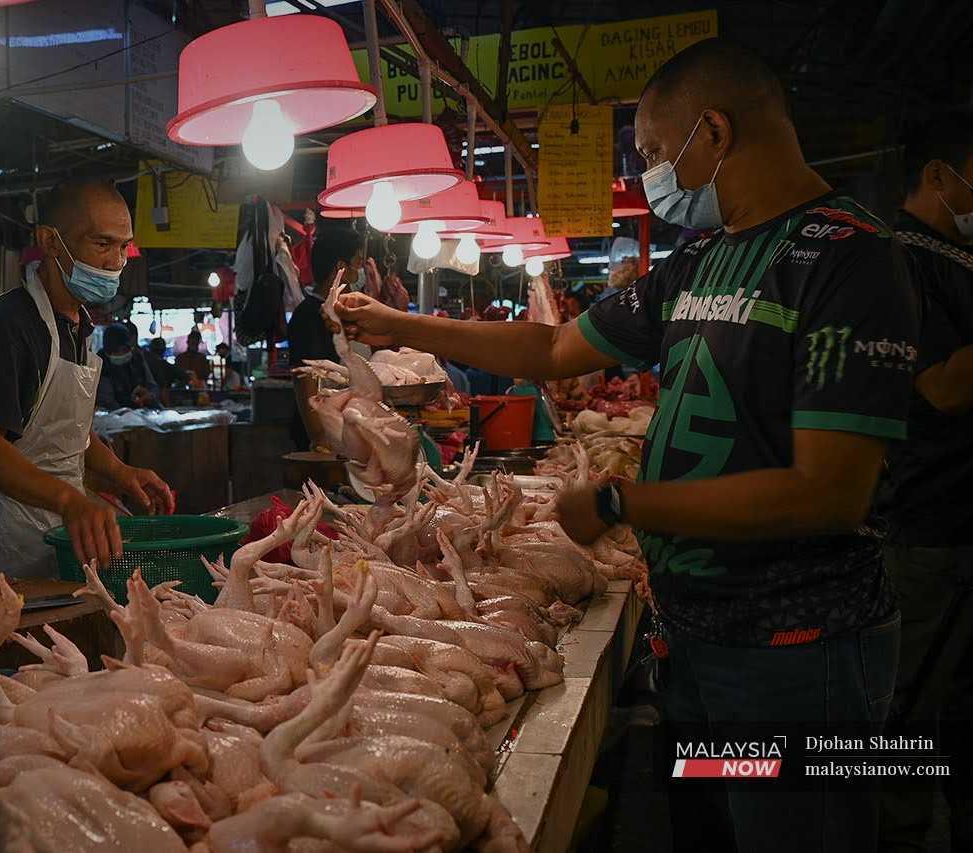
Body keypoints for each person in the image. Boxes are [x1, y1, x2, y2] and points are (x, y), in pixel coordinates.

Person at [334, 38, 918, 853]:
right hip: (699, 644)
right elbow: (552, 350)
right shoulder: (699, 263)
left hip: (796, 656)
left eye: (651, 153)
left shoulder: (850, 260)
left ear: (711, 134)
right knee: (710, 834)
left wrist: (622, 501)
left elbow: (829, 490)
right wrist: (397, 324)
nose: (650, 173)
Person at [0, 177, 174, 579]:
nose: (116, 262)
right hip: (3, 540)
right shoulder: (7, 325)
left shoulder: (78, 326)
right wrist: (70, 501)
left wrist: (121, 474)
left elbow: (70, 435)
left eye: (123, 246)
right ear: (51, 242)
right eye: (102, 244)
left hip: (62, 530)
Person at [874, 112, 973, 853]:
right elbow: (940, 387)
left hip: (955, 524)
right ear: (938, 174)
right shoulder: (902, 260)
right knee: (904, 715)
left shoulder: (956, 258)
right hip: (926, 526)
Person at [288, 226, 363, 450]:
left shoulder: (343, 313)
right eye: (358, 263)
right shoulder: (309, 316)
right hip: (325, 443)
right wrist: (320, 439)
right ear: (341, 267)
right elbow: (306, 381)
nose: (360, 273)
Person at [96, 325, 157, 410]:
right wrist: (125, 413)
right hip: (114, 416)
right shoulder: (100, 363)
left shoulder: (137, 358)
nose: (121, 353)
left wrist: (149, 395)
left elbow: (152, 386)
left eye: (124, 349)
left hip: (143, 412)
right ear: (108, 350)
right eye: (115, 351)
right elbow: (106, 400)